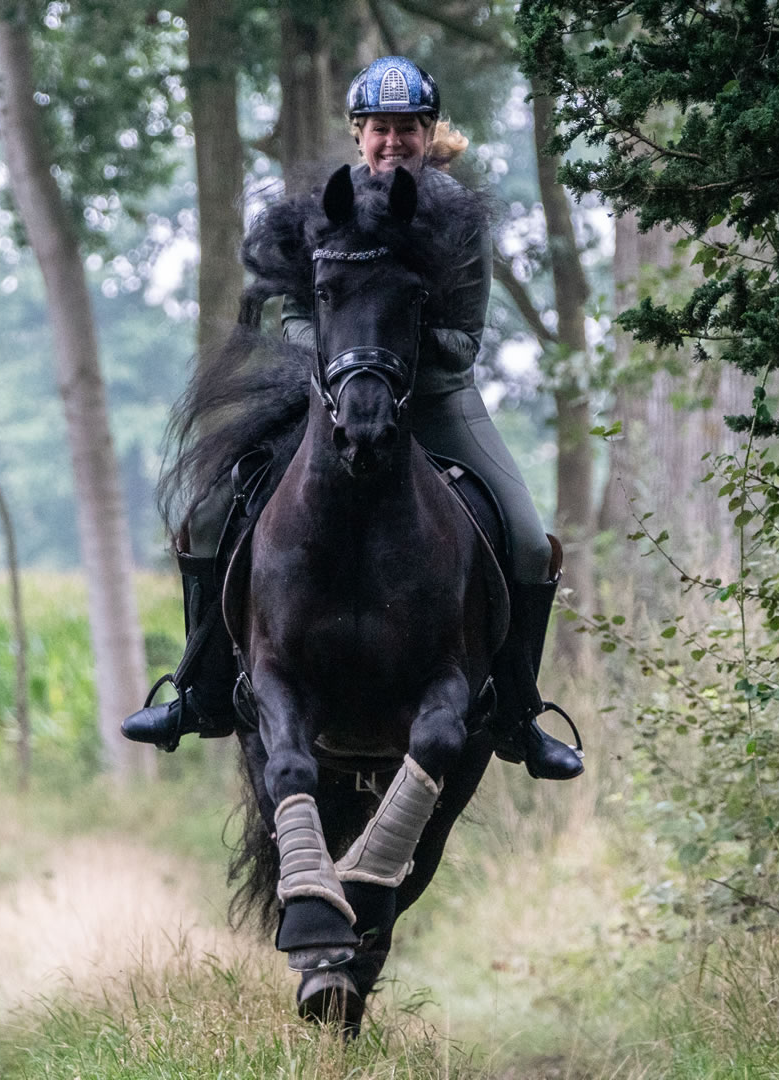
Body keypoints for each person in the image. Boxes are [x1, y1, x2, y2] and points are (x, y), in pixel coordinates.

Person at [123, 56, 583, 781]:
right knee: (209, 517)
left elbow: (464, 341)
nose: (393, 142)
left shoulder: (458, 218)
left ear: (429, 133)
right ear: (358, 134)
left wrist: (391, 341)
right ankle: (199, 689)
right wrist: (347, 359)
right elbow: (299, 317)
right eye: (380, 130)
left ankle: (520, 714)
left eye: (407, 128)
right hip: (332, 395)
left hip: (435, 401)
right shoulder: (327, 208)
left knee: (527, 540)